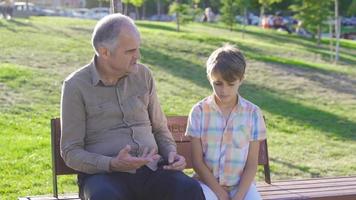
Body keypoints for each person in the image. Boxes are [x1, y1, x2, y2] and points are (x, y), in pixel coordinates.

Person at [60, 13, 205, 200]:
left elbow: (160, 129)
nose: (138, 56)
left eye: (138, 49)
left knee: (189, 189)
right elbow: (71, 151)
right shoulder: (76, 86)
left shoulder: (144, 76)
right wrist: (112, 163)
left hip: (152, 170)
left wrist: (171, 155)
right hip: (104, 176)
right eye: (130, 51)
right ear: (105, 52)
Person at [186, 44, 267, 200]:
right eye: (218, 83)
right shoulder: (199, 112)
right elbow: (197, 162)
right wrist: (220, 193)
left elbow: (251, 164)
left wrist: (238, 197)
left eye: (231, 84)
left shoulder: (253, 114)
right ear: (210, 78)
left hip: (241, 185)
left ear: (241, 80)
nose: (224, 90)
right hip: (207, 184)